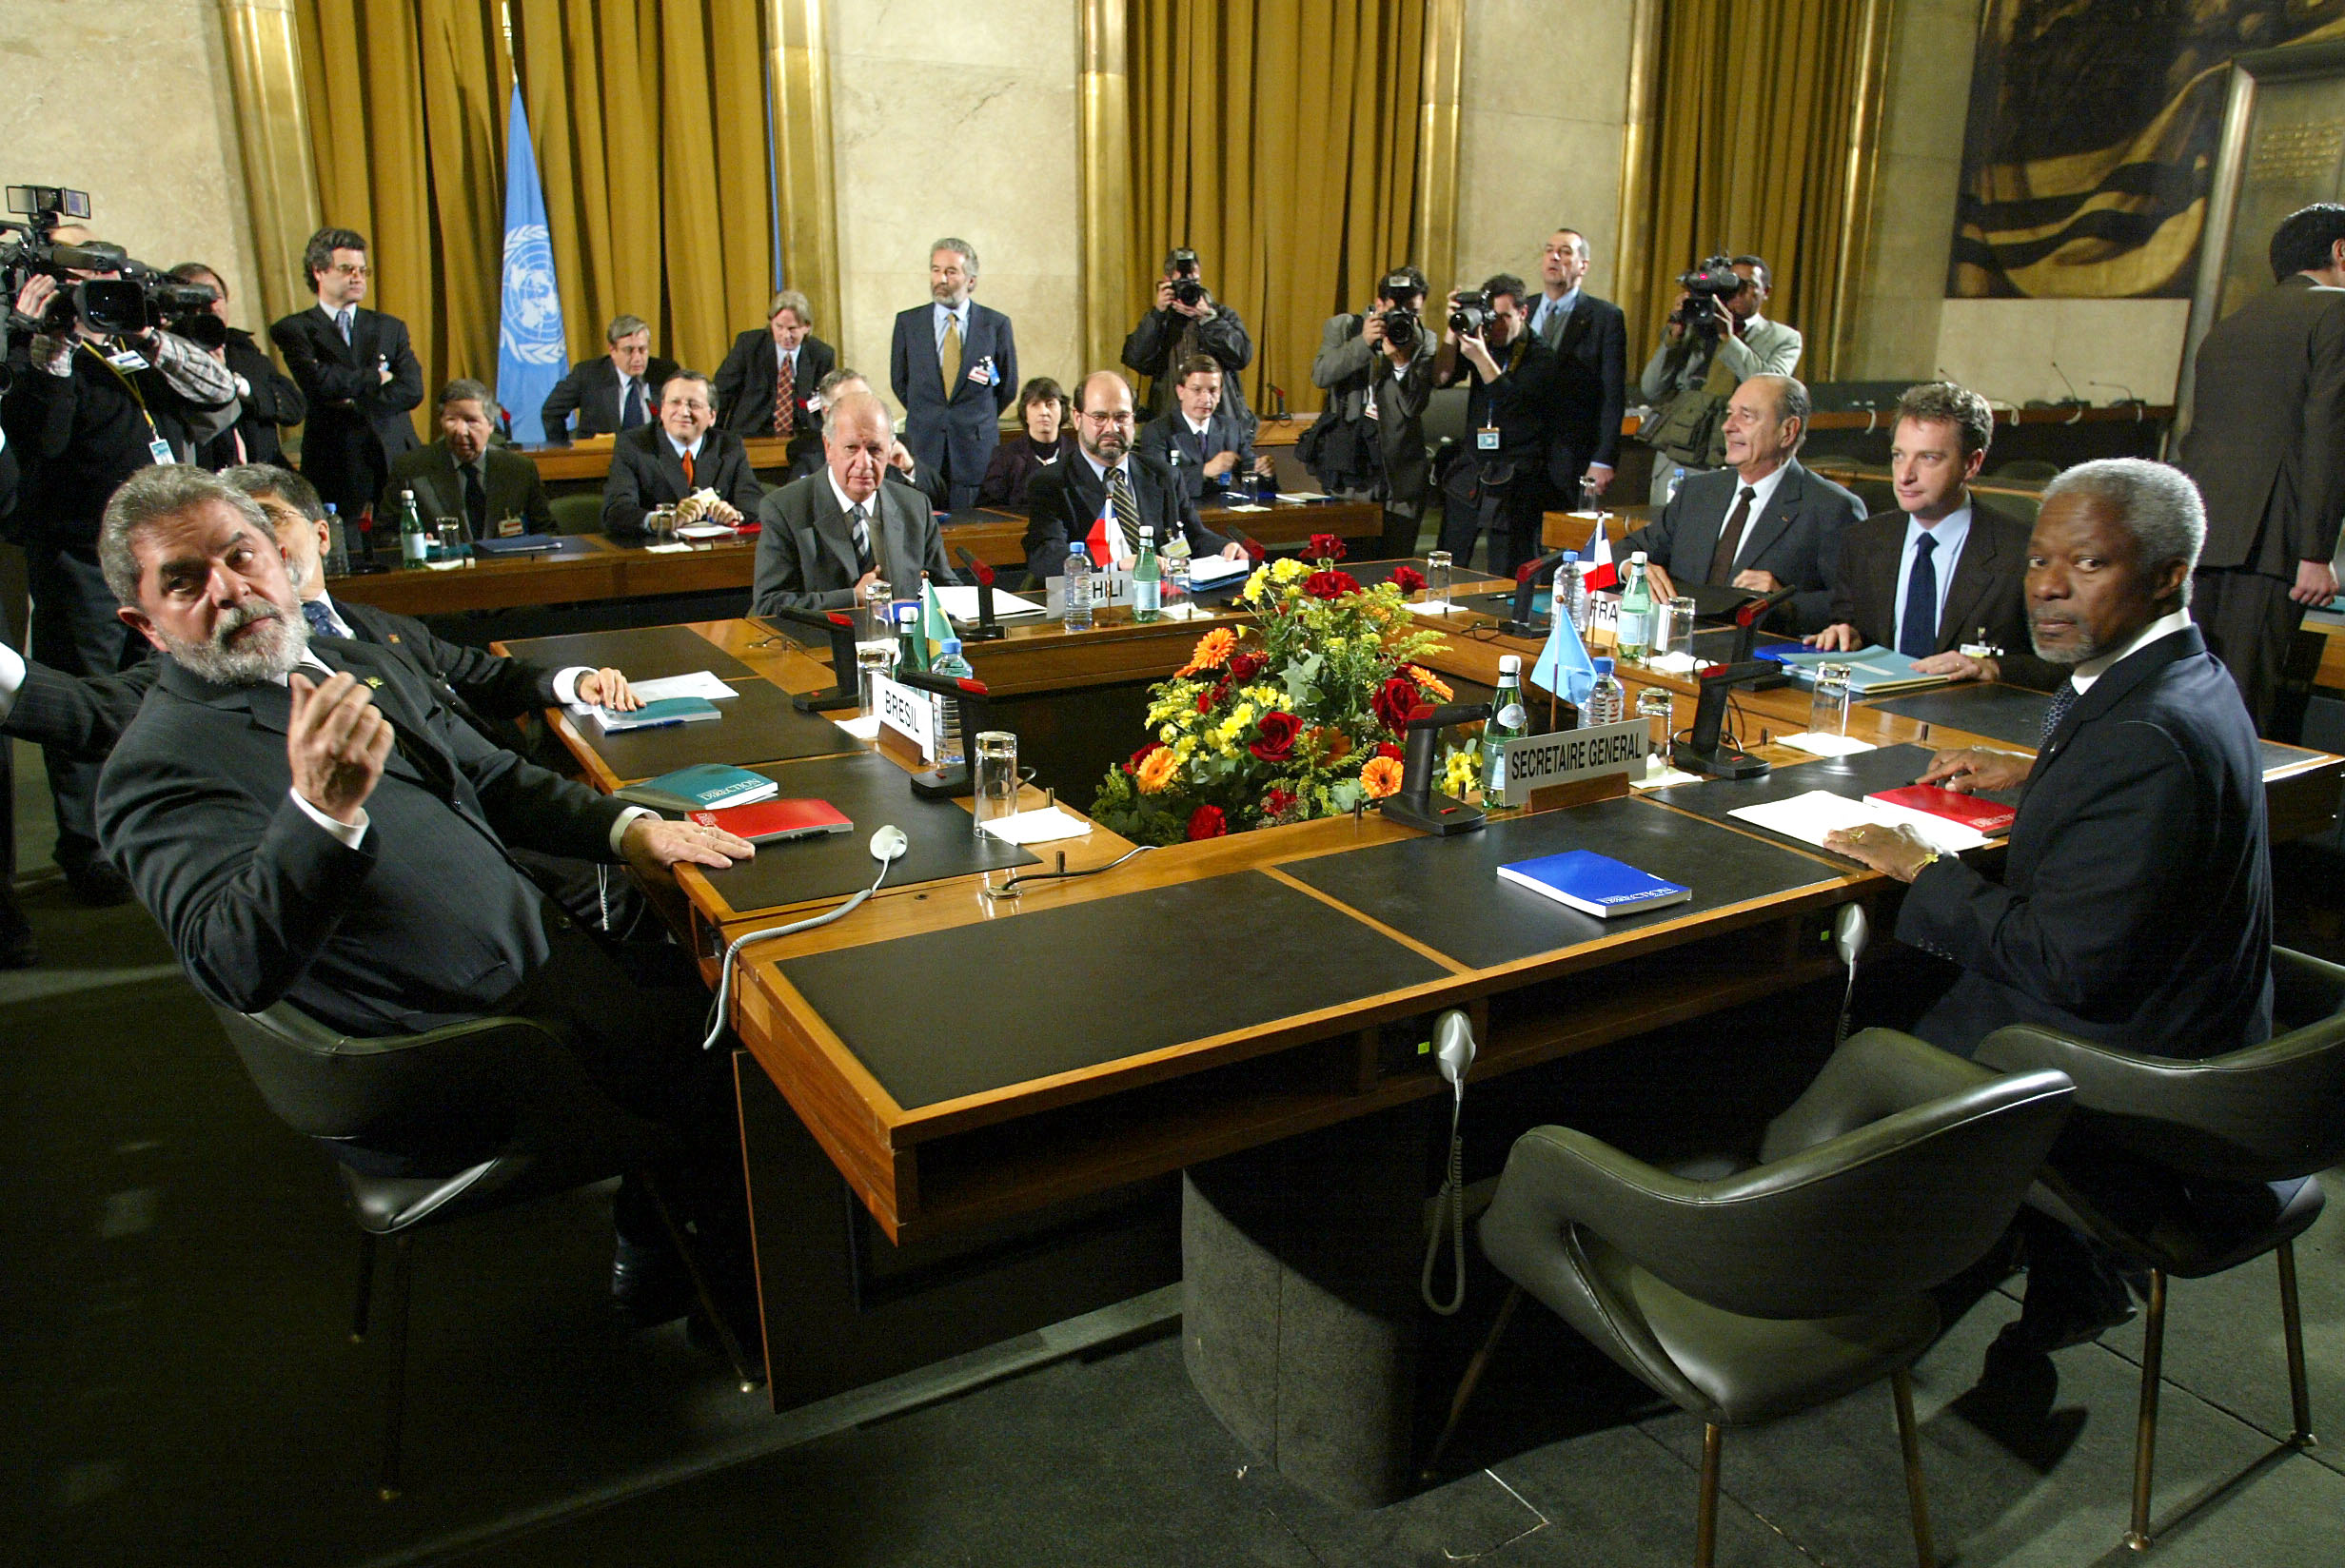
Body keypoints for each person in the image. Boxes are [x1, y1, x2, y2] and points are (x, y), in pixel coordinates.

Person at [90, 464, 752, 1318]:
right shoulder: (158, 764)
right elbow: (232, 965)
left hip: (541, 959)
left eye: (240, 554)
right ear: (145, 625)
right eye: (185, 582)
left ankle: (674, 1223)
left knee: (722, 980)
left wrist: (631, 831)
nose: (230, 589)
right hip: (461, 1046)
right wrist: (319, 814)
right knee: (756, 1047)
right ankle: (718, 1286)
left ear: (280, 559)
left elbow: (495, 779)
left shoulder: (356, 659)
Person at [1825, 459, 2270, 1356]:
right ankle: (2063, 1265)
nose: (2049, 588)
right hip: (2195, 1019)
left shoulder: (2143, 736)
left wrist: (1922, 868)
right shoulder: (2185, 676)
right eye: (2038, 561)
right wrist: (2043, 778)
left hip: (2138, 1076)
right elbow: (2143, 818)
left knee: (1859, 1020)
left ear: (2168, 574)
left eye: (2088, 563)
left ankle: (1799, 1276)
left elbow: (2064, 963)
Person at [3, 256, 240, 904]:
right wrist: (52, 344)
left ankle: (166, 828)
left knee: (168, 689)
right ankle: (90, 849)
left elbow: (219, 395)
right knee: (84, 696)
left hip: (160, 560)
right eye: (91, 294)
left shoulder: (142, 352)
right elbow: (40, 442)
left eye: (114, 292)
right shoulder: (43, 360)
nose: (103, 305)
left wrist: (149, 335)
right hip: (80, 558)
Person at [2178, 203, 2345, 734]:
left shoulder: (2229, 326)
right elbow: (2329, 438)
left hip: (2203, 539)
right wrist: (2315, 552)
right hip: (2273, 543)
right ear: (2341, 251)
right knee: (2246, 709)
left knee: (2194, 697)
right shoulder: (2337, 311)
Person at [1807, 382, 2060, 689]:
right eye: (1898, 455)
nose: (1904, 476)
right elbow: (1849, 625)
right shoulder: (1863, 540)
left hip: (1969, 712)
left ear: (1972, 464)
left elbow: (2064, 665)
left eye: (1928, 458)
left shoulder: (2021, 551)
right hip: (1873, 709)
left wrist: (1993, 668)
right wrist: (1844, 635)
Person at [1623, 374, 1862, 635]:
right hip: (1675, 644)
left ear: (1788, 431)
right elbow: (1628, 548)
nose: (1727, 426)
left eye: (1746, 416)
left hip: (1757, 650)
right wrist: (1633, 567)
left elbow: (1855, 604)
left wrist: (1784, 601)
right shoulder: (1697, 491)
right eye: (1729, 414)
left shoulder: (1831, 507)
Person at [1020, 371, 1244, 584]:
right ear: (1078, 418)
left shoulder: (1164, 475)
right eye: (1099, 417)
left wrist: (1224, 548)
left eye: (1121, 417)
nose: (1112, 428)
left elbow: (1193, 537)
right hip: (1094, 601)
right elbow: (1046, 557)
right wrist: (1116, 566)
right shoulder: (1050, 483)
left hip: (1165, 595)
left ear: (1133, 419)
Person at [268, 226, 424, 528]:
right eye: (347, 269)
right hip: (337, 462)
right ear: (319, 271)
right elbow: (319, 384)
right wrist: (377, 377)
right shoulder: (294, 329)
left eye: (362, 271)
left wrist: (353, 399)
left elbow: (412, 389)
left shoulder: (389, 327)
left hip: (394, 456)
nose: (357, 278)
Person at [752, 392, 958, 616]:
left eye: (874, 449)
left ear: (890, 450)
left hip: (902, 636)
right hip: (820, 637)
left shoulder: (915, 506)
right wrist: (852, 598)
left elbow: (946, 589)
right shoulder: (784, 508)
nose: (864, 463)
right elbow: (769, 605)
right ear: (828, 447)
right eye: (851, 448)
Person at [1639, 255, 1803, 504]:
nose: (1737, 292)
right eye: (1731, 284)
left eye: (1747, 285)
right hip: (1677, 455)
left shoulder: (1783, 338)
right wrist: (1675, 335)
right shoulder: (1696, 328)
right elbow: (1651, 388)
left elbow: (1770, 390)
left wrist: (1729, 339)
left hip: (1729, 459)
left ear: (1766, 291)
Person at [1433, 274, 1560, 577]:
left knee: (1505, 570)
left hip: (1516, 475)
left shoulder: (1541, 354)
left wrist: (1481, 358)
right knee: (1448, 560)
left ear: (1523, 312)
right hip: (1474, 468)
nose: (1496, 326)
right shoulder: (1482, 340)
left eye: (1504, 317)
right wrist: (1453, 330)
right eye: (1492, 317)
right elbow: (1440, 377)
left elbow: (1511, 402)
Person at [1309, 265, 1438, 559]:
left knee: (1396, 565)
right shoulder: (1344, 327)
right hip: (1351, 469)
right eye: (1395, 310)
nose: (1403, 318)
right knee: (1347, 564)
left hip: (1399, 475)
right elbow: (1321, 375)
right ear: (1378, 303)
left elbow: (1414, 406)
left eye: (1412, 312)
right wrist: (1363, 343)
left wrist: (1401, 363)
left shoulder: (1423, 340)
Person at [889, 239, 1017, 511]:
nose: (941, 279)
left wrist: (974, 415)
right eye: (936, 270)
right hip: (924, 447)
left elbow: (1007, 386)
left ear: (971, 281)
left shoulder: (995, 325)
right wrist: (930, 413)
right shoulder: (908, 323)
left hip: (975, 451)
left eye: (950, 272)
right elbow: (900, 382)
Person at [166, 262, 307, 467]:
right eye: (198, 299)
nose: (211, 306)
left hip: (264, 471)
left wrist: (238, 385)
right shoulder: (170, 356)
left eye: (216, 296)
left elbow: (294, 408)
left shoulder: (242, 347)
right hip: (208, 475)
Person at [383, 380, 558, 540]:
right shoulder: (411, 469)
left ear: (490, 425)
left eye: (471, 421)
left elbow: (547, 532)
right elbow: (385, 536)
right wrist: (416, 545)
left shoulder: (519, 469)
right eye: (451, 420)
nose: (460, 431)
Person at [1528, 229, 1627, 505]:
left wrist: (1603, 459)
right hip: (1522, 455)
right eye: (1549, 250)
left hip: (1571, 454)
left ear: (1583, 265)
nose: (1554, 257)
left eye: (1565, 252)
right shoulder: (1524, 309)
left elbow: (1612, 394)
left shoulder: (1605, 317)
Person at [601, 372, 763, 539]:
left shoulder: (729, 446)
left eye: (694, 405)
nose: (684, 412)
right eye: (675, 402)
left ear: (712, 416)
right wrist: (665, 520)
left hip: (717, 548)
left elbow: (755, 501)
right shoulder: (633, 445)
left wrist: (735, 514)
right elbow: (616, 511)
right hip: (655, 548)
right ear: (662, 409)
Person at [1122, 247, 1255, 428]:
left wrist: (1208, 319)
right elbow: (1135, 358)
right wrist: (1157, 314)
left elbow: (1242, 356)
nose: (1188, 289)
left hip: (1220, 424)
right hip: (1171, 425)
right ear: (1167, 282)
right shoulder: (1161, 321)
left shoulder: (1220, 316)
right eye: (1181, 284)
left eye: (1194, 283)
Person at [788, 368, 947, 510]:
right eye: (852, 404)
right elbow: (798, 509)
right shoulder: (807, 453)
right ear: (827, 412)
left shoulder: (896, 445)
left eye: (866, 400)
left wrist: (909, 468)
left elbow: (939, 500)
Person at [713, 289, 837, 465]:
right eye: (779, 327)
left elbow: (826, 401)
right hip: (750, 434)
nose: (786, 335)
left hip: (803, 437)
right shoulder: (749, 346)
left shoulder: (821, 354)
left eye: (792, 329)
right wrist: (714, 438)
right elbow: (721, 392)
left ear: (807, 327)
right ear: (771, 323)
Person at [1136, 357, 1271, 507]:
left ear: (1220, 393)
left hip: (1220, 513)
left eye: (1213, 391)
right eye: (1197, 390)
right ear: (1180, 391)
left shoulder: (1230, 429)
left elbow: (1253, 479)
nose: (1206, 399)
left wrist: (1265, 472)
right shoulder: (1157, 430)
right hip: (1176, 513)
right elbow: (1157, 483)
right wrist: (1204, 471)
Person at [539, 314, 678, 444]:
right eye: (629, 350)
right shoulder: (588, 375)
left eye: (642, 349)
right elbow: (551, 411)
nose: (637, 358)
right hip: (603, 457)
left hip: (655, 458)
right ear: (612, 350)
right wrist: (565, 450)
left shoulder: (666, 373)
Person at [975, 378, 1076, 512]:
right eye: (1035, 404)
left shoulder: (1077, 454)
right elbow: (987, 509)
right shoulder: (1005, 456)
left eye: (1050, 404)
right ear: (1025, 413)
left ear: (1062, 410)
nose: (1044, 412)